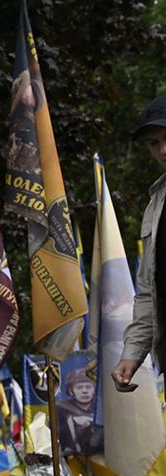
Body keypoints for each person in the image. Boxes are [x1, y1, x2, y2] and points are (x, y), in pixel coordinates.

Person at [112, 95, 166, 392]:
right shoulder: (156, 203)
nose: (163, 150)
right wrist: (132, 354)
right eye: (153, 143)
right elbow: (149, 292)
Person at [54, 368, 102, 455]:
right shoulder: (60, 409)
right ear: (71, 390)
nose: (84, 391)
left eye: (89, 387)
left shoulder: (101, 408)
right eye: (79, 387)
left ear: (95, 389)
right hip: (69, 459)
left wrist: (91, 422)